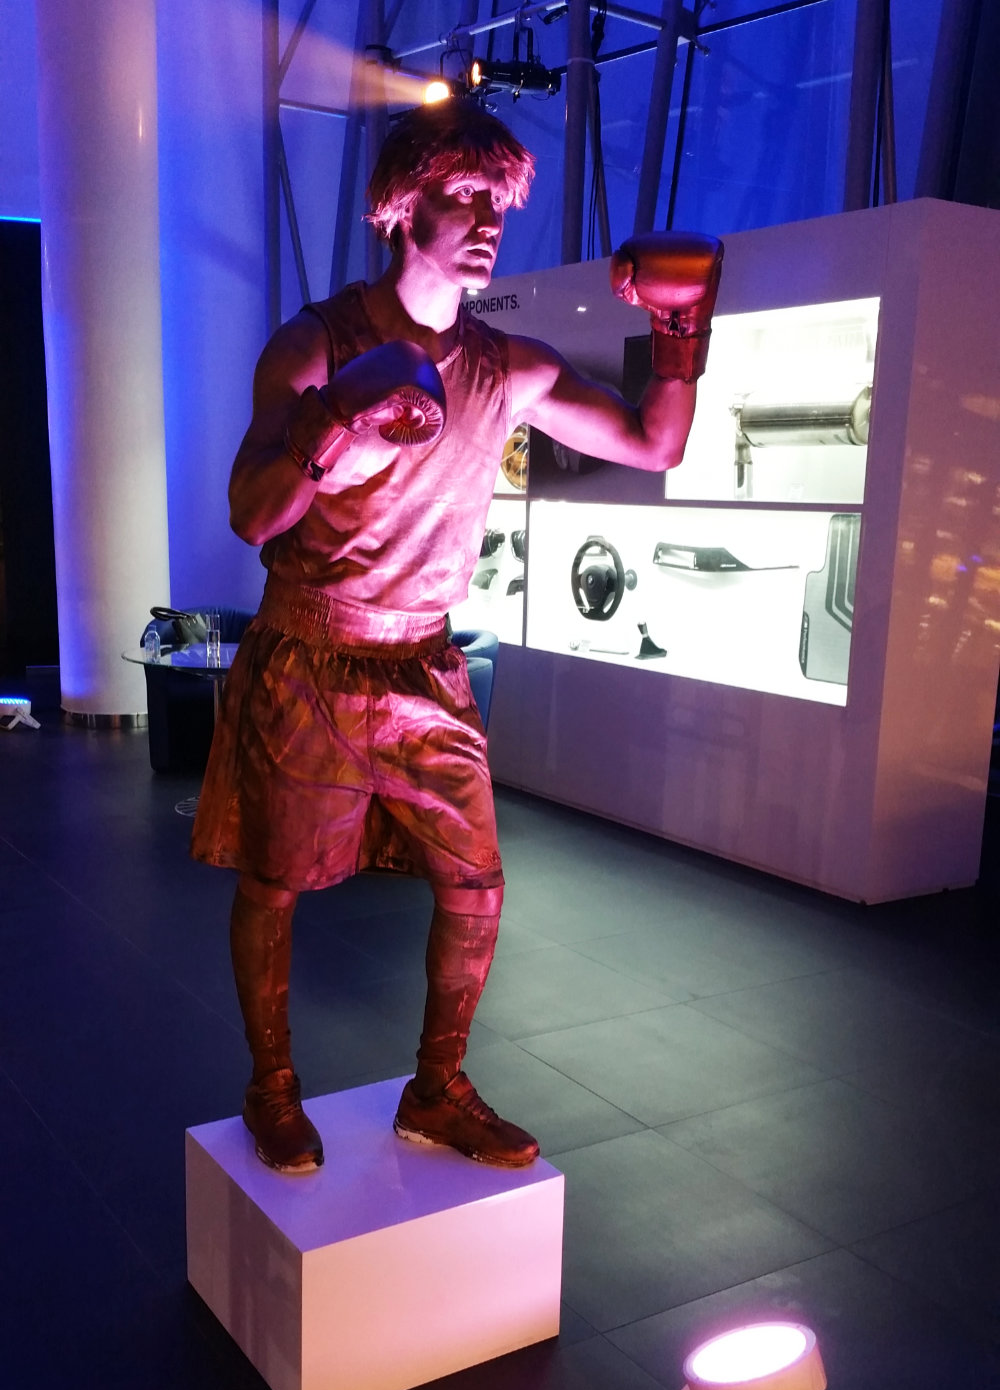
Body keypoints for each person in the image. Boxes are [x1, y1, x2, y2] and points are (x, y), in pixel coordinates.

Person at [191, 98, 722, 1177]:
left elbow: (654, 444)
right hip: (311, 652)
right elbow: (252, 515)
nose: (487, 221)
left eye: (499, 203)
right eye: (464, 195)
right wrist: (332, 424)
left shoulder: (509, 367)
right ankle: (271, 1089)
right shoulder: (316, 342)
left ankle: (436, 1091)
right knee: (274, 883)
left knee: (476, 885)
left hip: (427, 662)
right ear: (402, 206)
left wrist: (680, 334)